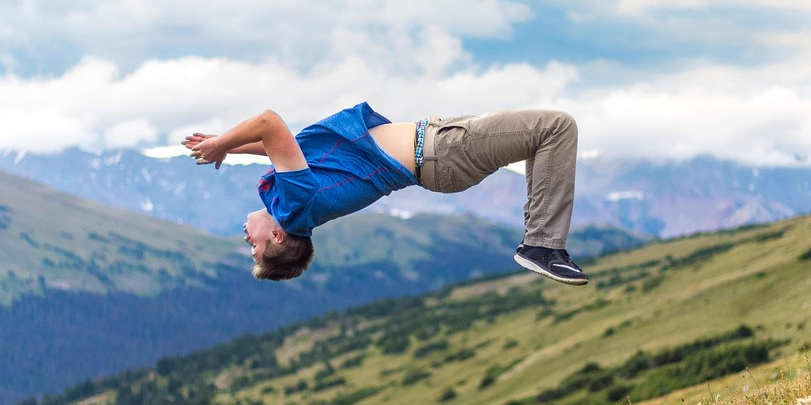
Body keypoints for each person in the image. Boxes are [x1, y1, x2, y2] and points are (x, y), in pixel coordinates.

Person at [183, 102, 587, 285]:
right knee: (556, 128)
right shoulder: (296, 205)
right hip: (441, 152)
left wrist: (226, 144)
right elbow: (270, 123)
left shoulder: (294, 199)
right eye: (253, 249)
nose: (246, 240)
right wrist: (223, 144)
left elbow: (281, 144)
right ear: (277, 237)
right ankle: (542, 245)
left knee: (544, 136)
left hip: (439, 145)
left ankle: (542, 242)